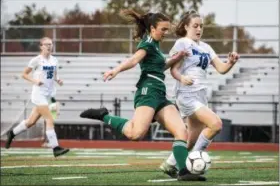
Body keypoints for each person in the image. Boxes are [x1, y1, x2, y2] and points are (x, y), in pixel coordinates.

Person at [80, 10, 205, 181]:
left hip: (160, 94)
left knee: (181, 131)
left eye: (167, 29)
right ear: (152, 28)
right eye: (163, 29)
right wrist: (115, 70)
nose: (165, 33)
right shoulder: (146, 44)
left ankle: (183, 171)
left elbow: (160, 67)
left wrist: (178, 57)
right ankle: (105, 116)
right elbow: (134, 60)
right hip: (147, 91)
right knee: (135, 134)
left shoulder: (155, 45)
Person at [159, 10, 239, 177]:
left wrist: (230, 62)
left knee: (191, 140)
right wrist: (182, 78)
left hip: (201, 96)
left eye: (201, 26)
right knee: (216, 124)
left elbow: (222, 69)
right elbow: (172, 69)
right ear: (186, 26)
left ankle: (169, 164)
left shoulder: (206, 47)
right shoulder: (182, 43)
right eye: (195, 25)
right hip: (187, 95)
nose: (199, 29)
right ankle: (191, 165)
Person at [5, 37, 70, 157]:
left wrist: (59, 80)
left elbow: (55, 76)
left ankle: (12, 133)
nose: (49, 46)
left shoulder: (55, 60)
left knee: (31, 122)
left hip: (51, 94)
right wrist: (35, 81)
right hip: (39, 94)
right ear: (41, 46)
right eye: (46, 44)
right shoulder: (36, 60)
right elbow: (24, 74)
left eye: (51, 44)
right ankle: (55, 147)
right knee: (50, 119)